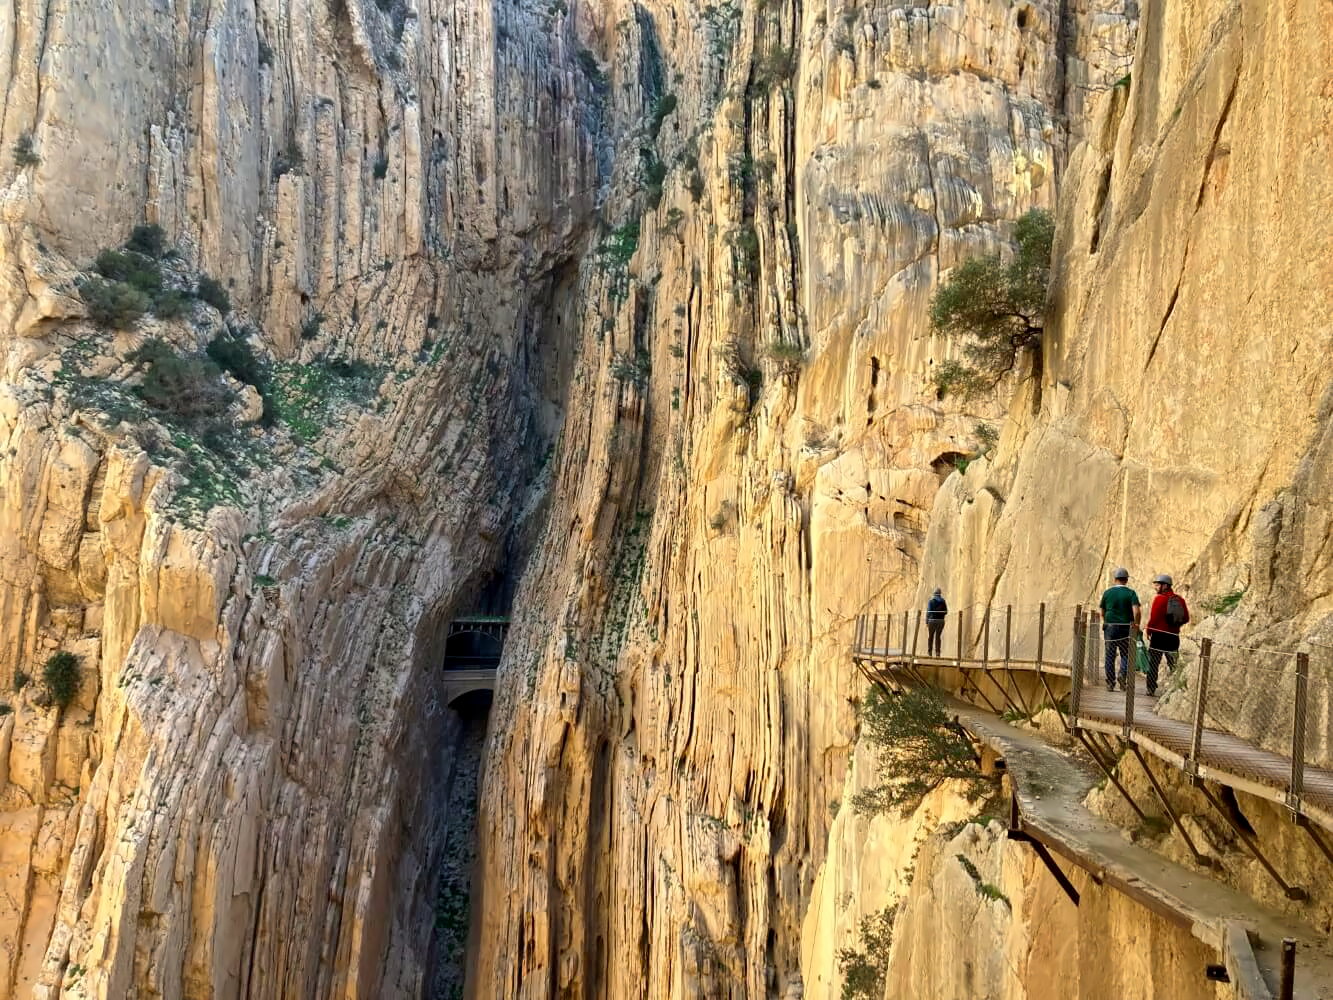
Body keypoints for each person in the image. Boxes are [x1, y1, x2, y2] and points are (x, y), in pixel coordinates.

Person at [1144, 574, 1189, 696]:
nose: (1155, 587)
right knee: (1173, 664)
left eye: (1158, 585)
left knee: (1153, 663)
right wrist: (1175, 625)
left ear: (1165, 586)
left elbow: (1154, 618)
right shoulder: (1180, 600)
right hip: (1173, 637)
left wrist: (1149, 631)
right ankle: (1177, 689)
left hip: (1158, 636)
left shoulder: (1159, 599)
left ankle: (1151, 688)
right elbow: (1186, 618)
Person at [1099, 568, 1140, 691]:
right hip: (1125, 628)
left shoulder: (1107, 593)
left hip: (1110, 627)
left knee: (1110, 655)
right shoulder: (1131, 593)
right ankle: (1122, 675)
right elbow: (1136, 611)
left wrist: (1105, 621)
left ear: (1115, 579)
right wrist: (1136, 624)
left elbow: (1102, 611)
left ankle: (1110, 683)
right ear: (1126, 580)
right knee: (1126, 654)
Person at [925, 588, 948, 656]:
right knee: (938, 637)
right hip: (941, 621)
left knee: (931, 636)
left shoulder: (931, 601)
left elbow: (928, 612)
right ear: (940, 594)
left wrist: (927, 621)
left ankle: (930, 652)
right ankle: (938, 652)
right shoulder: (943, 601)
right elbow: (946, 612)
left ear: (934, 594)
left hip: (932, 621)